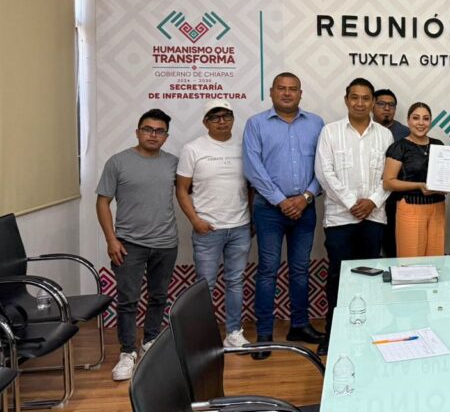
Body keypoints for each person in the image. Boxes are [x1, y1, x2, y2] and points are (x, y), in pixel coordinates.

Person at [243, 72, 325, 358]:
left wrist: (306, 197)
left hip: (305, 207)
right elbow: (253, 168)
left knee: (300, 269)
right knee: (268, 270)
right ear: (271, 92)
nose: (287, 93)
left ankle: (299, 325)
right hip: (269, 210)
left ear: (301, 93)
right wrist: (281, 201)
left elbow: (324, 166)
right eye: (281, 88)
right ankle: (264, 333)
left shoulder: (316, 123)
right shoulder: (256, 124)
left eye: (293, 89)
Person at [97, 109, 179, 381]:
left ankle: (150, 340)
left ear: (166, 136)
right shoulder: (118, 162)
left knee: (159, 296)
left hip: (166, 243)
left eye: (159, 131)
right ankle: (127, 352)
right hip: (128, 245)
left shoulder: (173, 163)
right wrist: (111, 239)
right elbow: (102, 202)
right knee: (128, 301)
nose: (153, 135)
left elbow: (189, 191)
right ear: (137, 132)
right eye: (148, 129)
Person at [316, 78, 393, 355]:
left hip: (374, 217)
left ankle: (366, 330)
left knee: (369, 278)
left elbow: (389, 176)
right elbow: (324, 173)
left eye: (366, 98)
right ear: (346, 100)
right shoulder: (330, 132)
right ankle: (333, 333)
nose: (360, 103)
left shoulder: (384, 135)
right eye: (355, 97)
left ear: (372, 102)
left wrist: (372, 201)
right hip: (340, 219)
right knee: (338, 276)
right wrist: (351, 203)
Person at [176, 100, 252, 349]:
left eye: (226, 116)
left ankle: (233, 333)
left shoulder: (244, 146)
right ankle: (204, 336)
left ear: (232, 119)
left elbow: (251, 187)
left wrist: (251, 218)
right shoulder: (193, 149)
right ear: (205, 122)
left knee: (235, 282)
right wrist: (195, 220)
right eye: (215, 117)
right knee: (204, 285)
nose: (222, 121)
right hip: (207, 229)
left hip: (240, 226)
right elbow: (181, 189)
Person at [382, 102, 446, 257]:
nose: (421, 123)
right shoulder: (399, 147)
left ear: (431, 121)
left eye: (426, 118)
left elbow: (446, 177)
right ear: (408, 120)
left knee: (436, 259)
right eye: (416, 118)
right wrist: (418, 186)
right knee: (411, 261)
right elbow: (388, 182)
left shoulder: (439, 145)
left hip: (438, 208)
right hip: (410, 208)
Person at [374, 88, 409, 258]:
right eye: (381, 104)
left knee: (393, 247)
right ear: (372, 105)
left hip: (395, 198)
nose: (387, 108)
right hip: (368, 197)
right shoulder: (364, 129)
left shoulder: (406, 133)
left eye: (391, 105)